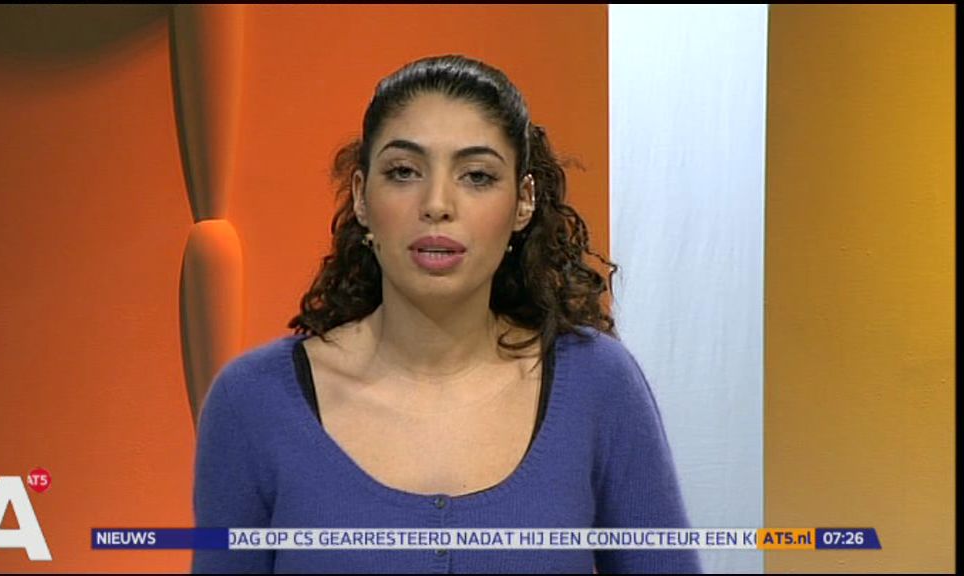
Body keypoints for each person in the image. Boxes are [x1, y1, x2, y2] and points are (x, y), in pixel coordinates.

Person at [192, 54, 701, 574]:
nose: (437, 203)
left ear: (523, 201)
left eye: (477, 176)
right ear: (362, 197)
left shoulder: (599, 384)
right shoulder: (252, 401)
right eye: (404, 172)